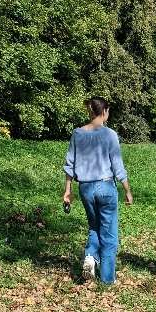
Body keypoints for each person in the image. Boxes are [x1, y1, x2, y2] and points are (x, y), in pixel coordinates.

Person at [63, 97, 133, 284]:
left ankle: (90, 257)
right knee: (109, 233)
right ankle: (107, 279)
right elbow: (117, 165)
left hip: (85, 187)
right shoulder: (110, 135)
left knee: (94, 226)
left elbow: (70, 164)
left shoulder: (77, 134)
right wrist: (127, 189)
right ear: (104, 112)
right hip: (105, 186)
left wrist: (67, 191)